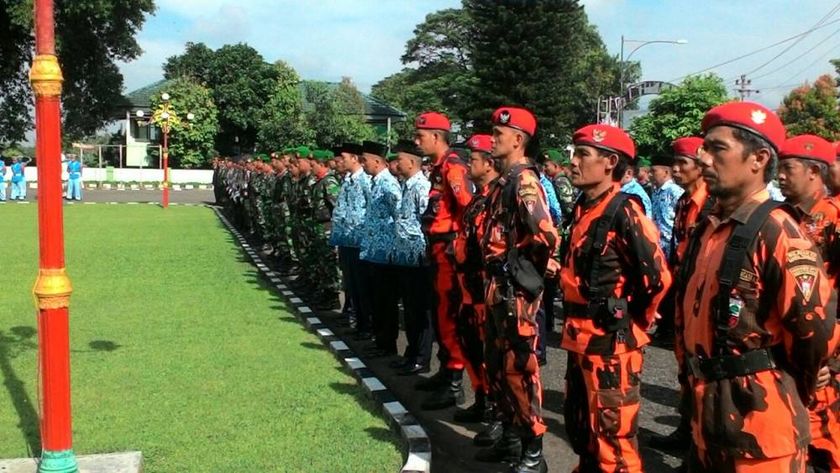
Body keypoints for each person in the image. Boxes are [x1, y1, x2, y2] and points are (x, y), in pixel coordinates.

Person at [677, 102, 836, 473]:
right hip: (707, 422)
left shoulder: (778, 231)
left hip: (761, 434)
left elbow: (814, 333)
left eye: (717, 148)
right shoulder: (709, 227)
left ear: (759, 159)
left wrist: (798, 386)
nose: (702, 158)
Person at [560, 123, 671, 473]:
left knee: (614, 439)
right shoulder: (584, 206)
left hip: (610, 341)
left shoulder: (626, 212)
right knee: (583, 428)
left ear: (610, 162)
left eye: (582, 155)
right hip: (579, 337)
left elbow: (657, 279)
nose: (573, 163)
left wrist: (629, 319)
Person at [477, 107, 557, 473]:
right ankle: (511, 442)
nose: (493, 139)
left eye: (498, 134)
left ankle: (532, 452)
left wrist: (521, 267)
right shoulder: (504, 182)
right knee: (496, 367)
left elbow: (545, 234)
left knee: (520, 369)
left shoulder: (524, 182)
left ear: (518, 139)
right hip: (496, 287)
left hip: (514, 293)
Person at [777, 134, 840, 473]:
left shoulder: (831, 217)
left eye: (789, 168)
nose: (780, 176)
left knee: (824, 434)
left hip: (825, 343)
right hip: (793, 339)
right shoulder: (782, 216)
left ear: (814, 171)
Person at [648, 136, 710, 455]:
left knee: (700, 369)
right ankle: (685, 432)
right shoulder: (685, 200)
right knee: (683, 366)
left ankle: (698, 441)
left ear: (700, 167)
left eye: (682, 163)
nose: (676, 168)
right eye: (675, 163)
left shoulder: (711, 202)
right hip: (684, 290)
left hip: (702, 296)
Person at [414, 111, 473, 408]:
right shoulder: (439, 168)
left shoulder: (453, 168)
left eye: (420, 136)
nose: (417, 141)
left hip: (449, 251)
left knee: (449, 315)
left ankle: (454, 383)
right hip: (436, 248)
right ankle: (444, 369)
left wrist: (459, 248)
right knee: (439, 314)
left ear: (436, 137)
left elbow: (468, 210)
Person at [450, 133, 496, 425]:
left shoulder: (496, 198)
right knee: (471, 349)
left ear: (489, 163)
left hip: (485, 292)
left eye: (474, 160)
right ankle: (480, 399)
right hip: (468, 289)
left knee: (490, 356)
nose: (468, 167)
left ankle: (493, 410)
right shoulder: (479, 198)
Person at [390, 139, 433, 375]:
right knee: (410, 310)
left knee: (420, 309)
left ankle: (421, 357)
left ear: (411, 161)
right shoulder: (406, 185)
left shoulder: (420, 186)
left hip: (419, 259)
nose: (396, 163)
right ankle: (412, 352)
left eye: (399, 159)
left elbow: (427, 224)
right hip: (405, 258)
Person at [358, 140, 402, 357]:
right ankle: (380, 339)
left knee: (386, 300)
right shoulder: (376, 182)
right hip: (374, 250)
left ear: (377, 161)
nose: (362, 164)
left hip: (386, 252)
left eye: (365, 160)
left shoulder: (388, 184)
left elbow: (398, 216)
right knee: (376, 298)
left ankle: (387, 344)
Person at [330, 143, 372, 337]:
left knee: (362, 285)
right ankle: (355, 318)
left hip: (359, 240)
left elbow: (371, 208)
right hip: (346, 239)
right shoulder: (348, 179)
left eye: (345, 157)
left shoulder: (365, 180)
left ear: (355, 159)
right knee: (351, 283)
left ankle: (365, 324)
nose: (341, 160)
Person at [309, 150, 342, 310]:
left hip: (327, 226)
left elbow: (336, 206)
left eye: (313, 165)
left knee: (329, 261)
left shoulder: (329, 182)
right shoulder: (319, 181)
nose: (311, 167)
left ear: (322, 165)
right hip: (319, 225)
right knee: (322, 259)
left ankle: (333, 295)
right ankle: (325, 291)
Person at [650, 155, 684, 257]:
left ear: (666, 172)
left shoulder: (675, 191)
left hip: (671, 247)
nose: (650, 175)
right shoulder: (655, 192)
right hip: (658, 245)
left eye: (654, 171)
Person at [543, 148, 576, 216]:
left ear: (555, 166)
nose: (544, 169)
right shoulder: (556, 180)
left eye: (546, 166)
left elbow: (568, 206)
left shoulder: (560, 181)